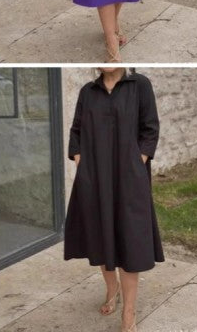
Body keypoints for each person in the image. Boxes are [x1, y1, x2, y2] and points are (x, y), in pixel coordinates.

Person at [64, 67, 164, 332]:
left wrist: (136, 162)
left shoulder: (139, 85)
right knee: (99, 237)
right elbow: (76, 132)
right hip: (94, 178)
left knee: (130, 241)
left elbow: (150, 129)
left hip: (129, 178)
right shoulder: (88, 92)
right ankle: (112, 289)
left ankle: (129, 312)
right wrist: (81, 161)